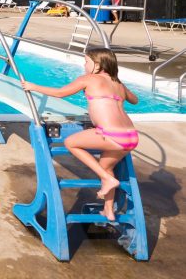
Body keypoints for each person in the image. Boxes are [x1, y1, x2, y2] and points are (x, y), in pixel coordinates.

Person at [21, 48, 139, 222]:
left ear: (97, 65)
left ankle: (107, 179)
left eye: (86, 61)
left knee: (71, 142)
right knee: (106, 167)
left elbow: (60, 93)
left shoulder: (89, 79)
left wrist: (33, 86)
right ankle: (108, 210)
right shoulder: (117, 82)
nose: (84, 65)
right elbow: (135, 100)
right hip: (131, 136)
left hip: (111, 135)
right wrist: (119, 90)